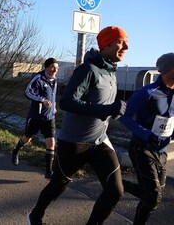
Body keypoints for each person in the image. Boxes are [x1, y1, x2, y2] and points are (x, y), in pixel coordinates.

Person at [27, 26, 129, 225]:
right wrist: (107, 109)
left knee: (115, 190)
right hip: (75, 141)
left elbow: (103, 107)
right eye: (121, 42)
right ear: (106, 44)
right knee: (59, 183)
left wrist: (116, 110)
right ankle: (35, 215)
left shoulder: (111, 72)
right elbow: (66, 102)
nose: (126, 46)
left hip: (100, 140)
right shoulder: (87, 70)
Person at [119, 52, 174, 224]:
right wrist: (147, 134)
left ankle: (117, 184)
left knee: (152, 195)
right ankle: (118, 184)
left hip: (162, 152)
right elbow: (124, 116)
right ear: (169, 70)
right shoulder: (147, 92)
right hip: (142, 148)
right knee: (153, 196)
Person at [11, 58, 59, 179]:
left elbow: (52, 97)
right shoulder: (39, 78)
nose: (55, 70)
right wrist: (42, 100)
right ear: (46, 67)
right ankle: (15, 151)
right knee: (27, 138)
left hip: (49, 117)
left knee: (51, 141)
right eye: (53, 67)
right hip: (36, 116)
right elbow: (27, 92)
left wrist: (54, 107)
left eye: (57, 68)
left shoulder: (55, 80)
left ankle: (48, 171)